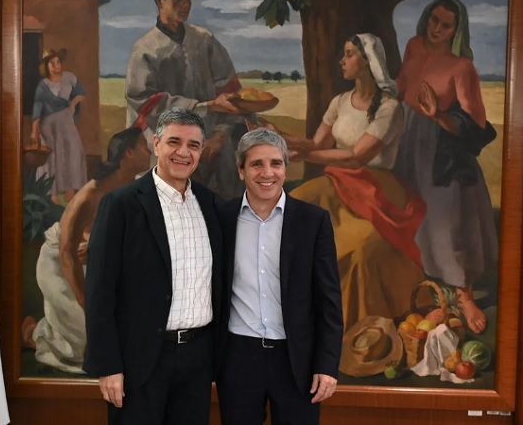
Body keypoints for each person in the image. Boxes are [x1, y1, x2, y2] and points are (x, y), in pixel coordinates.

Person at [267, 34, 426, 332]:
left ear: (368, 61)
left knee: (361, 249)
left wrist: (306, 154)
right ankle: (290, 306)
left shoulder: (389, 108)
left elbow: (356, 157)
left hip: (378, 190)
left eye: (349, 54)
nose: (342, 60)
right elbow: (316, 143)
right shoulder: (339, 101)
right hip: (339, 182)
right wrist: (278, 135)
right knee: (292, 205)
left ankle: (352, 326)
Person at [83, 108, 222, 425]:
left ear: (201, 150)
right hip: (139, 360)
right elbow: (99, 291)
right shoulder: (121, 205)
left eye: (193, 145)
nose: (183, 152)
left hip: (197, 360)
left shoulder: (211, 203)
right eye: (174, 142)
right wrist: (108, 365)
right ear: (156, 143)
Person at [216, 128, 343, 425]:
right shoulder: (221, 218)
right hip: (238, 359)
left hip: (297, 360)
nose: (267, 173)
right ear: (241, 171)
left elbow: (329, 301)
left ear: (285, 168)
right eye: (256, 164)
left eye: (276, 163)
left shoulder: (313, 221)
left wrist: (327, 365)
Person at [393, 0, 498, 334]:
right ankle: (422, 286)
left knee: (447, 221)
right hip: (408, 140)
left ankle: (465, 297)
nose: (436, 28)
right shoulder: (414, 45)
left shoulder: (461, 67)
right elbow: (401, 84)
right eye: (434, 19)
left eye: (445, 24)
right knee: (411, 214)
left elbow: (475, 124)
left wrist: (438, 115)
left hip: (442, 148)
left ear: (457, 30)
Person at [21, 127, 150, 374]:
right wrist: (88, 306)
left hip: (91, 262)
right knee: (90, 340)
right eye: (144, 145)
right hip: (60, 267)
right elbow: (67, 253)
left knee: (124, 334)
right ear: (129, 152)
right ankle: (33, 334)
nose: (150, 151)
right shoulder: (90, 195)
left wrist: (96, 247)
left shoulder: (133, 189)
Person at [125, 0, 251, 200]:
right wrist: (206, 107)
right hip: (165, 141)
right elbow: (146, 102)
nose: (185, 4)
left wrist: (220, 135)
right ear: (160, 1)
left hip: (212, 142)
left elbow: (231, 91)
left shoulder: (204, 40)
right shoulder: (144, 49)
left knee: (227, 194)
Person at [30, 48, 87, 204]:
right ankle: (52, 195)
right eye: (52, 63)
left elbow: (81, 93)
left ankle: (70, 191)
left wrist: (73, 103)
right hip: (49, 126)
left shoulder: (69, 78)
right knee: (52, 157)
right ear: (46, 66)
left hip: (66, 122)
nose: (56, 66)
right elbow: (37, 109)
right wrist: (34, 131)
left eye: (58, 62)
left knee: (73, 152)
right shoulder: (42, 85)